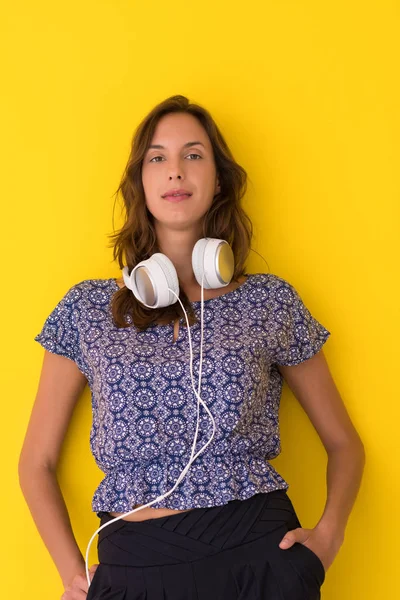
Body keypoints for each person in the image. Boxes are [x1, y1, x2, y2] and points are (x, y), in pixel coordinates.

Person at [19, 94, 365, 600]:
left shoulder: (269, 301)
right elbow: (35, 463)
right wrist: (73, 577)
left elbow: (344, 444)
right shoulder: (85, 309)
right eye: (157, 158)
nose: (175, 172)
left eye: (193, 154)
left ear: (218, 179)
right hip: (133, 567)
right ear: (141, 181)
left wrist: (327, 542)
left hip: (260, 558)